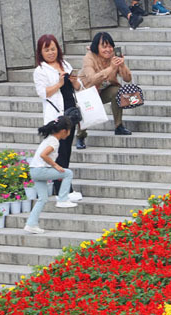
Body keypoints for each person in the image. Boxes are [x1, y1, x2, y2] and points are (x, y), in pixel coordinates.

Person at [33, 34, 84, 202]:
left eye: (53, 49)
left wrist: (75, 82)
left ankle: (65, 189)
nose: (50, 53)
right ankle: (63, 190)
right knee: (58, 153)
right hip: (56, 116)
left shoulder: (65, 64)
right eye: (46, 50)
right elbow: (43, 93)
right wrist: (59, 84)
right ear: (41, 52)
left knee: (66, 151)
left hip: (70, 114)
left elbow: (77, 88)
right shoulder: (40, 70)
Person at [78, 32, 134, 139]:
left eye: (110, 46)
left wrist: (122, 65)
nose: (108, 50)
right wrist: (111, 68)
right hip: (88, 92)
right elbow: (92, 79)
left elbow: (127, 79)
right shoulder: (89, 58)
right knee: (83, 111)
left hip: (104, 91)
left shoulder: (114, 57)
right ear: (96, 47)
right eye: (104, 47)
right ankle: (81, 136)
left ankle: (119, 126)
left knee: (118, 91)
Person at [26, 117, 76, 235]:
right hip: (40, 170)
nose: (69, 133)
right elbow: (44, 155)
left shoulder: (49, 139)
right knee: (68, 173)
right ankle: (62, 199)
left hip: (34, 170)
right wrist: (56, 166)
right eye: (69, 130)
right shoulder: (54, 141)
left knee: (42, 199)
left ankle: (31, 224)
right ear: (64, 131)